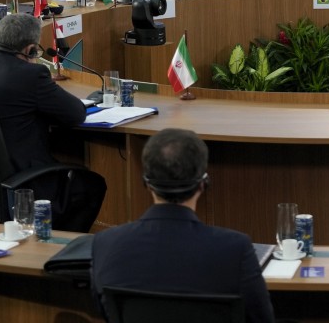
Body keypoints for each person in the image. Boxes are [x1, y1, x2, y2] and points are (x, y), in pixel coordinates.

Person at [91, 128, 275, 323]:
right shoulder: (235, 249)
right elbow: (262, 318)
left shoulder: (105, 243)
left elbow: (105, 311)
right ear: (204, 183)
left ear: (147, 183)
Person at [0, 14, 85, 171]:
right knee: (94, 184)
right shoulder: (32, 74)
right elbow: (77, 114)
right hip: (25, 174)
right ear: (30, 49)